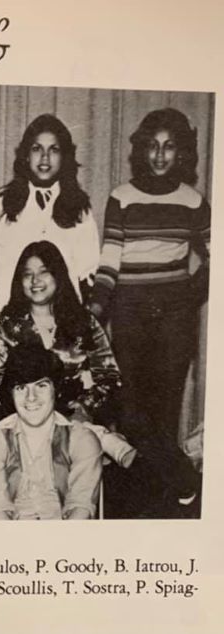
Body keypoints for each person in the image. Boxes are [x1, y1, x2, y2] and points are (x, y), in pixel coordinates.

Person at [90, 108, 209, 514]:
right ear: (141, 149)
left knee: (164, 414)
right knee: (130, 412)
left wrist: (189, 294)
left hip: (175, 322)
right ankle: (185, 478)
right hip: (129, 316)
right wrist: (96, 306)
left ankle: (159, 503)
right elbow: (110, 259)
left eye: (169, 146)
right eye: (153, 146)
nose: (160, 155)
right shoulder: (121, 197)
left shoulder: (193, 201)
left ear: (182, 152)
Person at [0, 241, 123, 428]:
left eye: (43, 272)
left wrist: (85, 407)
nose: (35, 280)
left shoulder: (84, 321)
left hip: (77, 421)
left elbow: (110, 377)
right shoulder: (6, 323)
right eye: (28, 274)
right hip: (24, 420)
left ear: (58, 276)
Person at [0, 113, 99, 319]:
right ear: (26, 155)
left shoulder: (79, 208)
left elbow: (89, 272)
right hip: (8, 318)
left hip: (63, 319)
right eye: (37, 149)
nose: (45, 157)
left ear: (64, 158)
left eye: (54, 150)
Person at [0, 343, 102, 520]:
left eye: (41, 386)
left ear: (56, 389)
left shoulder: (81, 440)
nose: (31, 397)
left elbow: (81, 508)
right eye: (21, 388)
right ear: (11, 394)